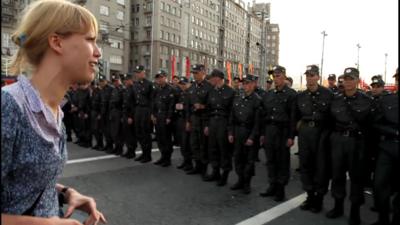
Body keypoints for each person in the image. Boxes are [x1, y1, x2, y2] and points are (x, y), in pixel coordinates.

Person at [1, 0, 106, 224]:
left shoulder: (55, 111)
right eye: (90, 40)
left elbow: (22, 181)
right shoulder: (8, 107)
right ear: (57, 42)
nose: (98, 52)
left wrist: (67, 193)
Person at [327, 67, 375, 225]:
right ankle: (338, 207)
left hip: (356, 143)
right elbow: (330, 120)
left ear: (357, 80)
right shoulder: (336, 98)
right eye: (345, 78)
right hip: (338, 141)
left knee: (356, 178)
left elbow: (370, 127)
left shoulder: (367, 100)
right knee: (337, 175)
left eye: (351, 78)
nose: (347, 81)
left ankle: (355, 212)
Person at [294, 65, 334, 213]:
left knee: (321, 167)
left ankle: (319, 199)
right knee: (305, 165)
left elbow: (333, 117)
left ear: (318, 77)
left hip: (321, 133)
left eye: (312, 75)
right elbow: (296, 115)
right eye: (308, 75)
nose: (310, 78)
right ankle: (310, 195)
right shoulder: (301, 96)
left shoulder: (328, 94)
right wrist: (298, 125)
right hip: (305, 133)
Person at [259, 65, 297, 202]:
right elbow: (264, 115)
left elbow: (293, 117)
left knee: (282, 161)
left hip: (283, 131)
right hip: (270, 130)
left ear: (284, 76)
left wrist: (291, 136)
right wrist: (263, 133)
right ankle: (272, 185)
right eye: (274, 76)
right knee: (270, 160)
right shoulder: (268, 94)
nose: (275, 79)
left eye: (278, 76)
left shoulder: (292, 94)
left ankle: (280, 189)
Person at [370, 68, 399, 225]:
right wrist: (395, 131)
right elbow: (376, 123)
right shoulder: (387, 100)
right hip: (388, 147)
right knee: (379, 185)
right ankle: (382, 219)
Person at [228, 74, 262, 194]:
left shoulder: (257, 100)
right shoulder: (238, 97)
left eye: (248, 83)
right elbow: (232, 117)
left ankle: (247, 183)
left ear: (253, 84)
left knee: (249, 160)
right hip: (237, 131)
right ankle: (240, 180)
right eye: (244, 83)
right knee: (238, 158)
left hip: (249, 132)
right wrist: (231, 132)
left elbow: (258, 122)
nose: (245, 85)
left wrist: (252, 137)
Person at [203, 69, 235, 186]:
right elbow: (208, 109)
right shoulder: (211, 91)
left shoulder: (231, 92)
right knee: (213, 148)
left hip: (224, 123)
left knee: (224, 150)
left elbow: (232, 112)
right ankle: (215, 171)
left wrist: (230, 130)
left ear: (217, 78)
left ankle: (225, 174)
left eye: (211, 77)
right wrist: (207, 125)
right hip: (213, 122)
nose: (210, 80)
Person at [186, 64, 213, 178]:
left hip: (204, 119)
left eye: (197, 73)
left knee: (204, 145)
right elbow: (187, 106)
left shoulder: (209, 87)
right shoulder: (191, 87)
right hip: (194, 119)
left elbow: (213, 105)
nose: (195, 75)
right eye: (193, 73)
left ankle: (204, 168)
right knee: (194, 144)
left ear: (203, 73)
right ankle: (197, 166)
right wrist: (188, 121)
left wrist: (203, 106)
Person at [151, 70, 175, 167]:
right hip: (158, 117)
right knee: (160, 138)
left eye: (161, 77)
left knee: (166, 139)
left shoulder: (170, 89)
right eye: (158, 78)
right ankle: (162, 156)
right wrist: (153, 114)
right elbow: (154, 103)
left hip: (165, 117)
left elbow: (171, 105)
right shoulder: (157, 89)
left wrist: (169, 117)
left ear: (165, 77)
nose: (159, 79)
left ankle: (167, 158)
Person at [132, 65, 154, 163]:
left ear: (143, 73)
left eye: (138, 72)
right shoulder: (135, 84)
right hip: (138, 110)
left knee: (146, 133)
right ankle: (143, 152)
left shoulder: (149, 84)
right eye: (136, 73)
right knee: (139, 132)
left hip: (146, 110)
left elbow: (152, 100)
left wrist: (151, 114)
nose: (136, 74)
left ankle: (147, 155)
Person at [175, 77, 193, 171]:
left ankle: (189, 163)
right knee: (182, 142)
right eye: (181, 84)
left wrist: (188, 121)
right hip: (180, 119)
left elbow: (191, 109)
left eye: (184, 84)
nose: (182, 85)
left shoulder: (191, 93)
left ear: (189, 84)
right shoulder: (181, 93)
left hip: (187, 120)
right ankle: (185, 161)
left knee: (187, 143)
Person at [121, 73, 138, 159]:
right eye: (125, 80)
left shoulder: (134, 89)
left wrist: (131, 116)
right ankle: (128, 150)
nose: (125, 81)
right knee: (127, 134)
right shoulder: (126, 89)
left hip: (130, 115)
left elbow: (134, 104)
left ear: (130, 80)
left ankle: (132, 151)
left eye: (127, 80)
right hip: (125, 114)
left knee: (131, 134)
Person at [98, 76, 114, 151]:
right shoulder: (102, 90)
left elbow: (111, 102)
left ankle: (110, 145)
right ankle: (107, 145)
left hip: (108, 112)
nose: (101, 83)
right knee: (104, 130)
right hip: (103, 112)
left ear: (106, 81)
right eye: (100, 81)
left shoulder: (111, 89)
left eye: (102, 81)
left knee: (109, 131)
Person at [76, 82, 91, 148]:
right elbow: (79, 102)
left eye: (82, 84)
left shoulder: (88, 91)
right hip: (81, 111)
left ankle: (88, 142)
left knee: (87, 128)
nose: (81, 86)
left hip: (86, 112)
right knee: (82, 127)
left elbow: (89, 104)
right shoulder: (80, 91)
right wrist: (79, 111)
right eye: (81, 85)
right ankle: (83, 140)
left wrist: (87, 113)